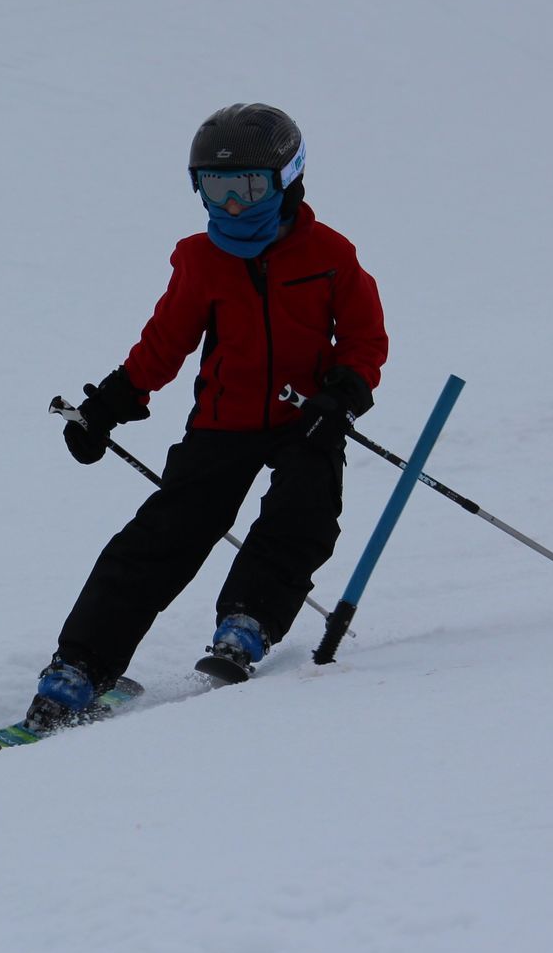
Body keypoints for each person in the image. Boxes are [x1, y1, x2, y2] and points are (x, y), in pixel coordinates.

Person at [29, 102, 389, 731]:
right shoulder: (201, 260)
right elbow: (165, 342)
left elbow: (364, 337)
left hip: (307, 418)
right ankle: (79, 667)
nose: (231, 207)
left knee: (303, 514)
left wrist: (343, 393)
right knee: (162, 537)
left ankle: (247, 622)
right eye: (215, 188)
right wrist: (110, 405)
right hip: (223, 423)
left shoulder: (330, 254)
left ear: (288, 180)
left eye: (246, 187)